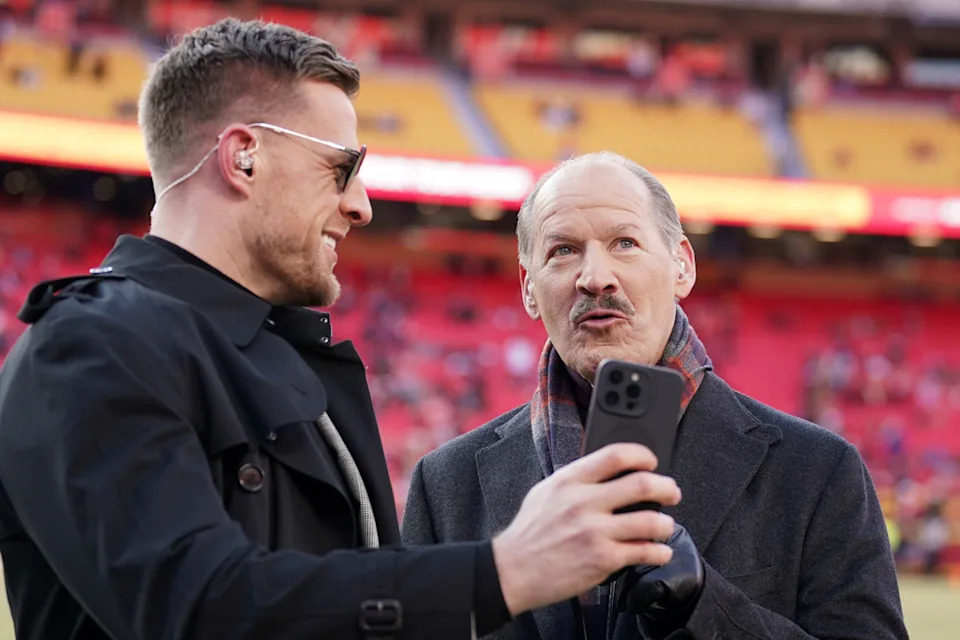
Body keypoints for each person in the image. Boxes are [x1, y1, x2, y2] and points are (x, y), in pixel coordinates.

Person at [0, 20, 684, 639]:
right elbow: (193, 605)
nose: (360, 205)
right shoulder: (87, 345)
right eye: (342, 168)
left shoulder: (280, 356)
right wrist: (503, 572)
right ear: (243, 157)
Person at [402, 151, 908, 640]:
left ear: (682, 266)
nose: (595, 278)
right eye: (563, 250)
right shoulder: (445, 485)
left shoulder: (818, 471)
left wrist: (705, 606)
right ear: (528, 288)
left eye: (624, 243)